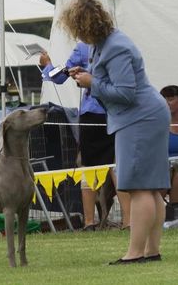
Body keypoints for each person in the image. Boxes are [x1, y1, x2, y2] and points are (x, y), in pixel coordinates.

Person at [59, 0, 171, 264]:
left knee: (139, 187)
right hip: (144, 116)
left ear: (83, 26)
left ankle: (135, 253)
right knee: (151, 188)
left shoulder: (116, 47)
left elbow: (125, 93)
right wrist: (86, 76)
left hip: (139, 118)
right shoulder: (103, 44)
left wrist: (92, 83)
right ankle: (151, 251)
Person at [39, 42, 131, 231]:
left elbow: (59, 77)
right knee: (118, 166)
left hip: (94, 115)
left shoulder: (83, 47)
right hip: (119, 113)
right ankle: (128, 220)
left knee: (89, 167)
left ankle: (89, 221)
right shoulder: (120, 44)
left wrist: (47, 65)